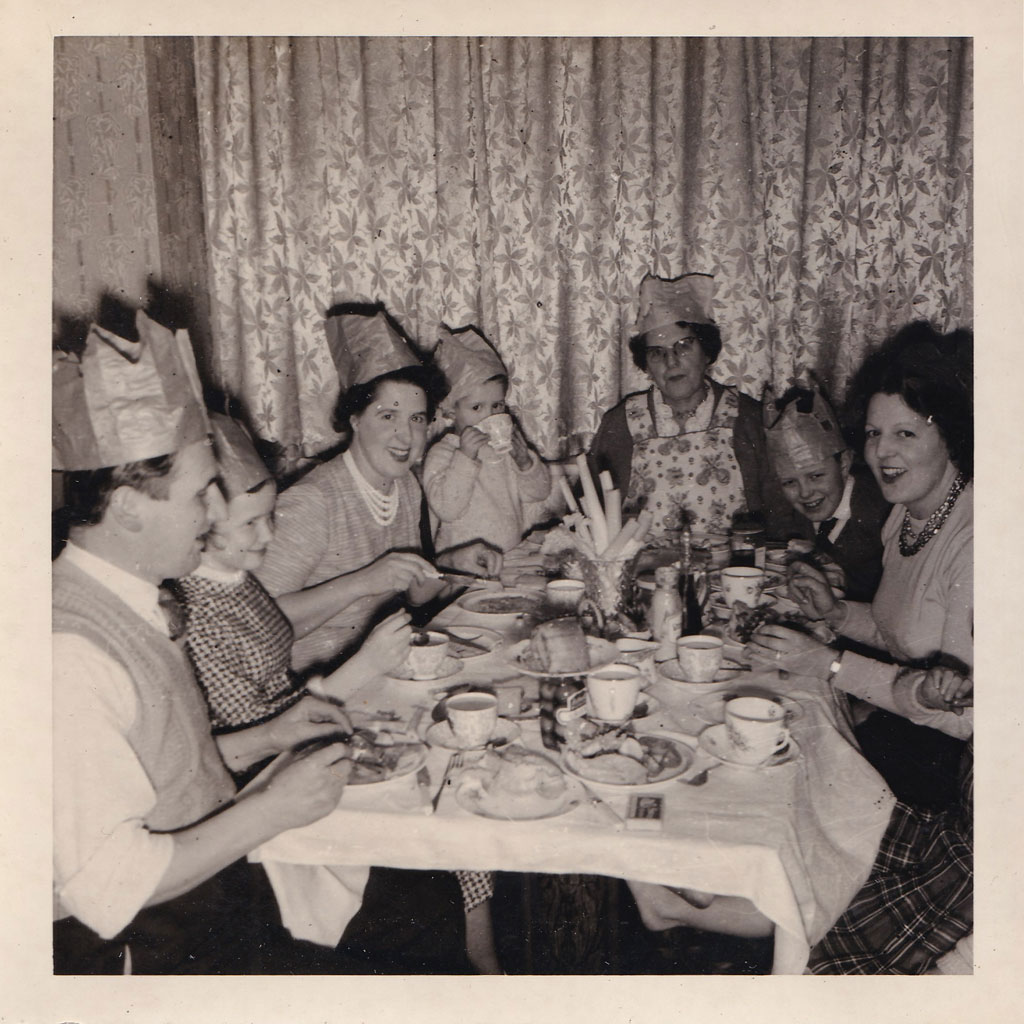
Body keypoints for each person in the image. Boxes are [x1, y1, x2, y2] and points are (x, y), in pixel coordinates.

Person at [51, 312, 372, 974]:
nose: (212, 513)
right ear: (131, 507)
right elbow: (110, 884)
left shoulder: (133, 597)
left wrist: (268, 736)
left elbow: (161, 774)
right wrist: (271, 808)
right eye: (201, 494)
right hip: (143, 950)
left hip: (207, 904)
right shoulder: (68, 651)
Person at [175, 411, 501, 974]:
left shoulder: (235, 582)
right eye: (251, 525)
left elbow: (281, 702)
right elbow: (255, 746)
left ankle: (482, 967)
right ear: (201, 523)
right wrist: (362, 666)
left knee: (460, 787)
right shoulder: (196, 611)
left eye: (268, 519)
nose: (269, 536)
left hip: (297, 763)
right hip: (267, 820)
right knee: (447, 835)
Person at [753, 321, 973, 808]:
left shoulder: (976, 544)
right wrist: (835, 612)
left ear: (951, 436)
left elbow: (964, 714)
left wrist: (829, 664)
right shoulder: (907, 518)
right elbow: (899, 630)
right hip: (906, 730)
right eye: (874, 432)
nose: (882, 451)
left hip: (950, 771)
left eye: (905, 433)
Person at [256, 308, 501, 675]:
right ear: (355, 419)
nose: (406, 436)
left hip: (383, 668)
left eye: (417, 419)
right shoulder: (313, 502)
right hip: (313, 685)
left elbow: (410, 593)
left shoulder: (406, 487)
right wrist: (362, 582)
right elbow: (256, 626)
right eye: (388, 416)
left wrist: (451, 565)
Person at [588, 271, 798, 541]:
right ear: (647, 365)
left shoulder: (748, 418)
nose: (671, 361)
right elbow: (595, 513)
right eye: (657, 353)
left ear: (707, 351)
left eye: (683, 346)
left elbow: (781, 514)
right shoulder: (620, 423)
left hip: (732, 573)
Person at [424, 324, 551, 554]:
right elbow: (447, 508)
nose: (490, 416)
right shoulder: (442, 453)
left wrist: (525, 462)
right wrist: (465, 457)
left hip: (509, 555)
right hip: (463, 564)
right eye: (476, 407)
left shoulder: (503, 449)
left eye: (497, 405)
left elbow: (540, 493)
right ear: (451, 412)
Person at [763, 384, 890, 602]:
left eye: (816, 476)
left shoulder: (883, 514)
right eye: (789, 482)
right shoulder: (796, 516)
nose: (804, 493)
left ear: (844, 465)